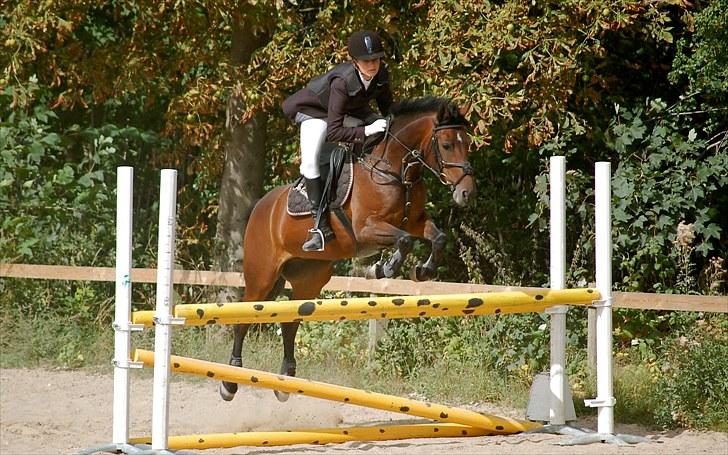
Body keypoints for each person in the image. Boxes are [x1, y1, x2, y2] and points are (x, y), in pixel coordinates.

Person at [282, 29, 393, 252]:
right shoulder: (342, 83)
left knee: (382, 128)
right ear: (354, 61)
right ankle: (320, 226)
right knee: (310, 162)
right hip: (315, 112)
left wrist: (387, 123)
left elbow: (389, 110)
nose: (372, 64)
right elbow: (334, 131)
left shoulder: (380, 76)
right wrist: (366, 131)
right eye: (366, 60)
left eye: (376, 59)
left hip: (346, 112)